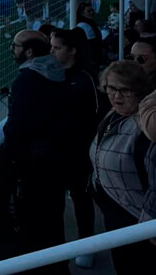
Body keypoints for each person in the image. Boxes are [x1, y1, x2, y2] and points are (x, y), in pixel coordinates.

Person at [4, 30, 70, 274]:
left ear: (29, 51)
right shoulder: (57, 72)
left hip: (35, 166)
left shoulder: (29, 79)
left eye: (16, 45)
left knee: (33, 227)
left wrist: (16, 160)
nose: (13, 49)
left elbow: (17, 127)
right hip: (55, 160)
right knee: (52, 222)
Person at [90, 60, 156, 273]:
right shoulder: (114, 113)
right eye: (111, 88)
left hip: (138, 224)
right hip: (115, 211)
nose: (116, 96)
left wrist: (148, 227)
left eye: (124, 90)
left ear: (139, 90)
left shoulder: (146, 127)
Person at [49, 28, 101, 269]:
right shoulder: (56, 74)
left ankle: (87, 245)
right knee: (60, 200)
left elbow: (91, 117)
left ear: (72, 51)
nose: (51, 51)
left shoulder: (84, 78)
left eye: (56, 48)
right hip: (57, 151)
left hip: (79, 152)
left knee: (81, 199)